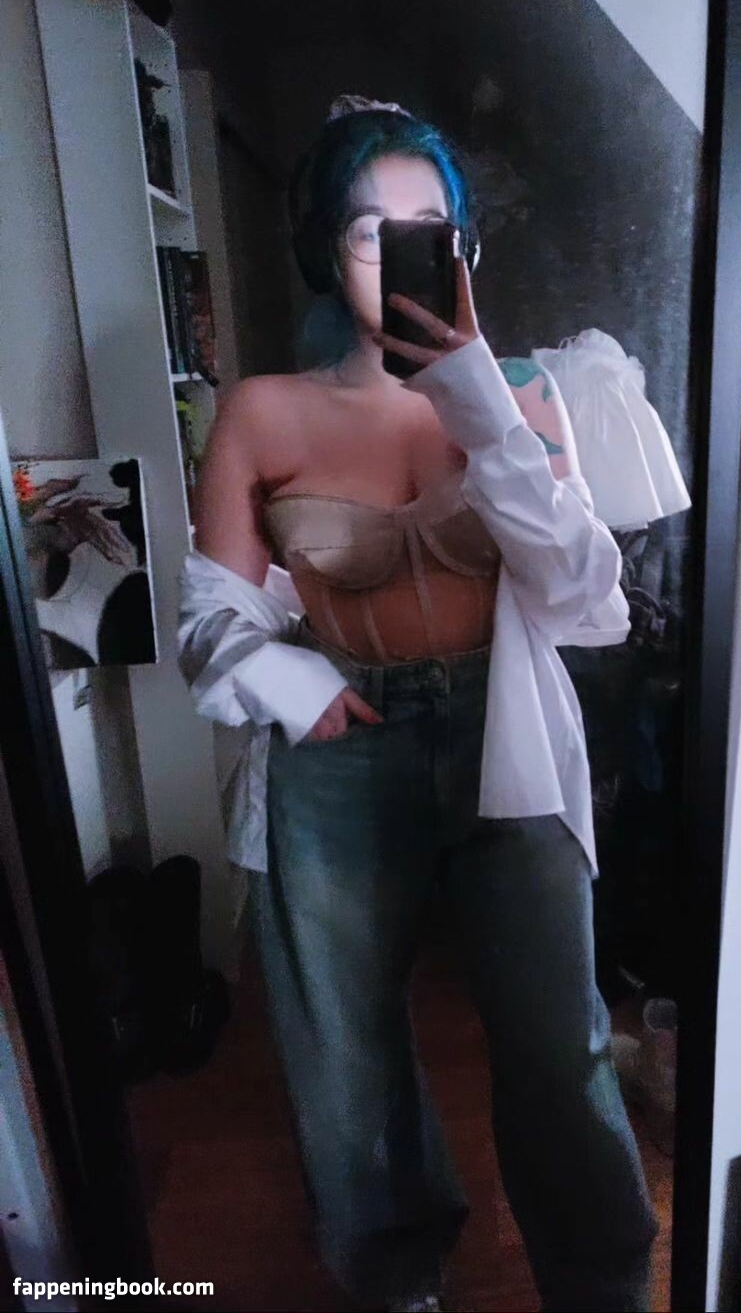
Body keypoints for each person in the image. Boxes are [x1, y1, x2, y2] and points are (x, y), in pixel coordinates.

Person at [177, 96, 657, 1312]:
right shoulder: (263, 410)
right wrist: (292, 684)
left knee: (559, 1041)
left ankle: (603, 1289)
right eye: (367, 229)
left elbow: (587, 598)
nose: (400, 254)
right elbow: (209, 621)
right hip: (339, 748)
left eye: (428, 227)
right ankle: (397, 1285)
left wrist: (476, 395)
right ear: (325, 253)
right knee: (345, 1059)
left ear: (465, 246)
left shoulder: (528, 394)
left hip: (507, 734)